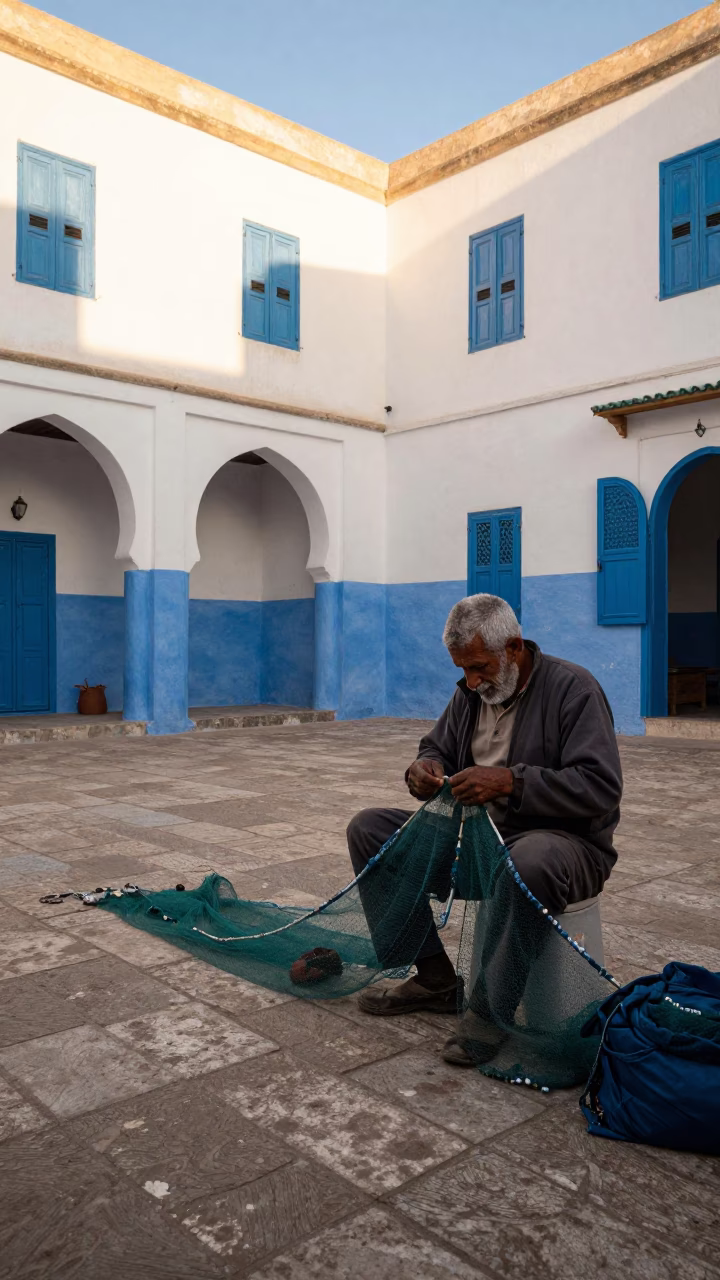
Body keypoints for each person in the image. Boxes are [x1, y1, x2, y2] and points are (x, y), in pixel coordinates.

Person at [346, 593, 623, 1064]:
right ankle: (434, 978)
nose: (472, 682)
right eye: (463, 670)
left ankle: (490, 1009)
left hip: (563, 850)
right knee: (370, 830)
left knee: (527, 862)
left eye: (479, 668)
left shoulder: (574, 690)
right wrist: (423, 770)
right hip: (478, 843)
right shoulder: (471, 694)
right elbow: (436, 747)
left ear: (513, 647)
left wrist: (511, 782)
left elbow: (600, 786)